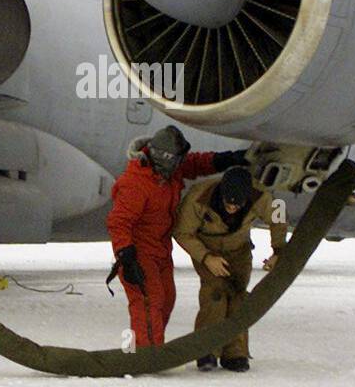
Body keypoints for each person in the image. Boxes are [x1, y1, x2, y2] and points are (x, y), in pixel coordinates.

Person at [106, 126, 247, 349]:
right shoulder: (135, 184)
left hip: (161, 250)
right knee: (149, 301)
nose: (183, 163)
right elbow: (118, 222)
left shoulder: (170, 171)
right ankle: (147, 354)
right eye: (179, 159)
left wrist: (230, 159)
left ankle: (153, 347)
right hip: (139, 253)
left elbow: (196, 164)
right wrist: (126, 256)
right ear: (167, 159)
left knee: (166, 300)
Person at [173, 166, 287, 373]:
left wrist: (278, 250)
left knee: (238, 298)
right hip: (207, 250)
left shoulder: (261, 196)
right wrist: (207, 258)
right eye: (228, 203)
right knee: (215, 294)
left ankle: (235, 354)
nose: (232, 208)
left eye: (238, 205)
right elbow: (182, 232)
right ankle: (206, 350)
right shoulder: (199, 197)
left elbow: (278, 218)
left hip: (239, 251)